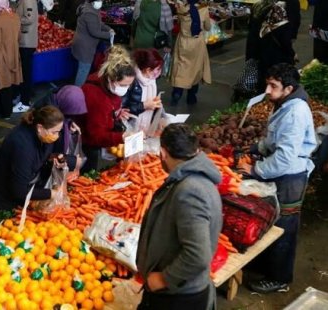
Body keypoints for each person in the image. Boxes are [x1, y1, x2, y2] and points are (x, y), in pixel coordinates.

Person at [237, 63, 317, 294]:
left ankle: (279, 278)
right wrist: (258, 147)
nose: (268, 90)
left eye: (273, 86)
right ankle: (265, 264)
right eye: (267, 84)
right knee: (271, 220)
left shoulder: (295, 112)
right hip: (282, 172)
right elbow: (275, 140)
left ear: (289, 88)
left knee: (283, 228)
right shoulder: (284, 103)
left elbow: (284, 158)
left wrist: (255, 170)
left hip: (290, 177)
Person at [136, 123, 222, 310]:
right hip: (180, 292)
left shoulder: (190, 191)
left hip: (178, 297)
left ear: (163, 153)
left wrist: (163, 279)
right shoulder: (196, 178)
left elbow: (198, 255)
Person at [0, 106, 74, 212]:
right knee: (9, 222)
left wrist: (55, 160)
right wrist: (52, 193)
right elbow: (19, 191)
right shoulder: (23, 146)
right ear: (40, 128)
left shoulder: (43, 135)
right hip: (3, 190)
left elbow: (47, 154)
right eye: (54, 132)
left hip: (23, 182)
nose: (57, 136)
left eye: (59, 132)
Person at [77, 45, 136, 172]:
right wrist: (121, 137)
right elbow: (95, 136)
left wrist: (114, 114)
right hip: (85, 144)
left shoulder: (108, 86)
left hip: (95, 138)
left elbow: (109, 106)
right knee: (87, 174)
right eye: (123, 85)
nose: (126, 88)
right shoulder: (95, 96)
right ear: (112, 79)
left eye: (129, 85)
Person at [246, 1, 295, 94]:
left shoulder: (258, 5)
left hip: (258, 52)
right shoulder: (279, 9)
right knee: (274, 83)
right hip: (274, 55)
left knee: (261, 82)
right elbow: (283, 37)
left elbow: (251, 29)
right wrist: (291, 53)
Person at [169, 0, 211, 106]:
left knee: (180, 68)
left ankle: (176, 94)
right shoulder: (203, 10)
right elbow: (208, 27)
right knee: (196, 69)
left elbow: (179, 22)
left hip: (183, 41)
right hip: (197, 43)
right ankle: (191, 96)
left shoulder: (180, 9)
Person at [71, 0, 114, 86]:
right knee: (83, 69)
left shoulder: (88, 8)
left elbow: (98, 23)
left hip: (81, 43)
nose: (101, 2)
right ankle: (77, 91)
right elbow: (95, 32)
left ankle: (76, 87)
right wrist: (109, 35)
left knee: (81, 68)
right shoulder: (90, 13)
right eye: (99, 0)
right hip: (85, 46)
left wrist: (108, 28)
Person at [123, 48, 164, 136]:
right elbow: (123, 109)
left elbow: (151, 104)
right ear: (148, 70)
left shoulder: (152, 81)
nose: (159, 73)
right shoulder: (130, 81)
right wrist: (144, 106)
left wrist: (156, 106)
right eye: (158, 69)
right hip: (129, 128)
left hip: (146, 128)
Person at [51, 85, 86, 171]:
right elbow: (47, 154)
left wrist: (69, 122)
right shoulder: (48, 120)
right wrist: (71, 161)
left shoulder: (58, 106)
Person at [14, 0, 39, 112]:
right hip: (25, 41)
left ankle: (25, 102)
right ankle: (25, 97)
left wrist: (14, 20)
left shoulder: (27, 1)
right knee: (25, 72)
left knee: (25, 73)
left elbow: (29, 18)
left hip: (26, 41)